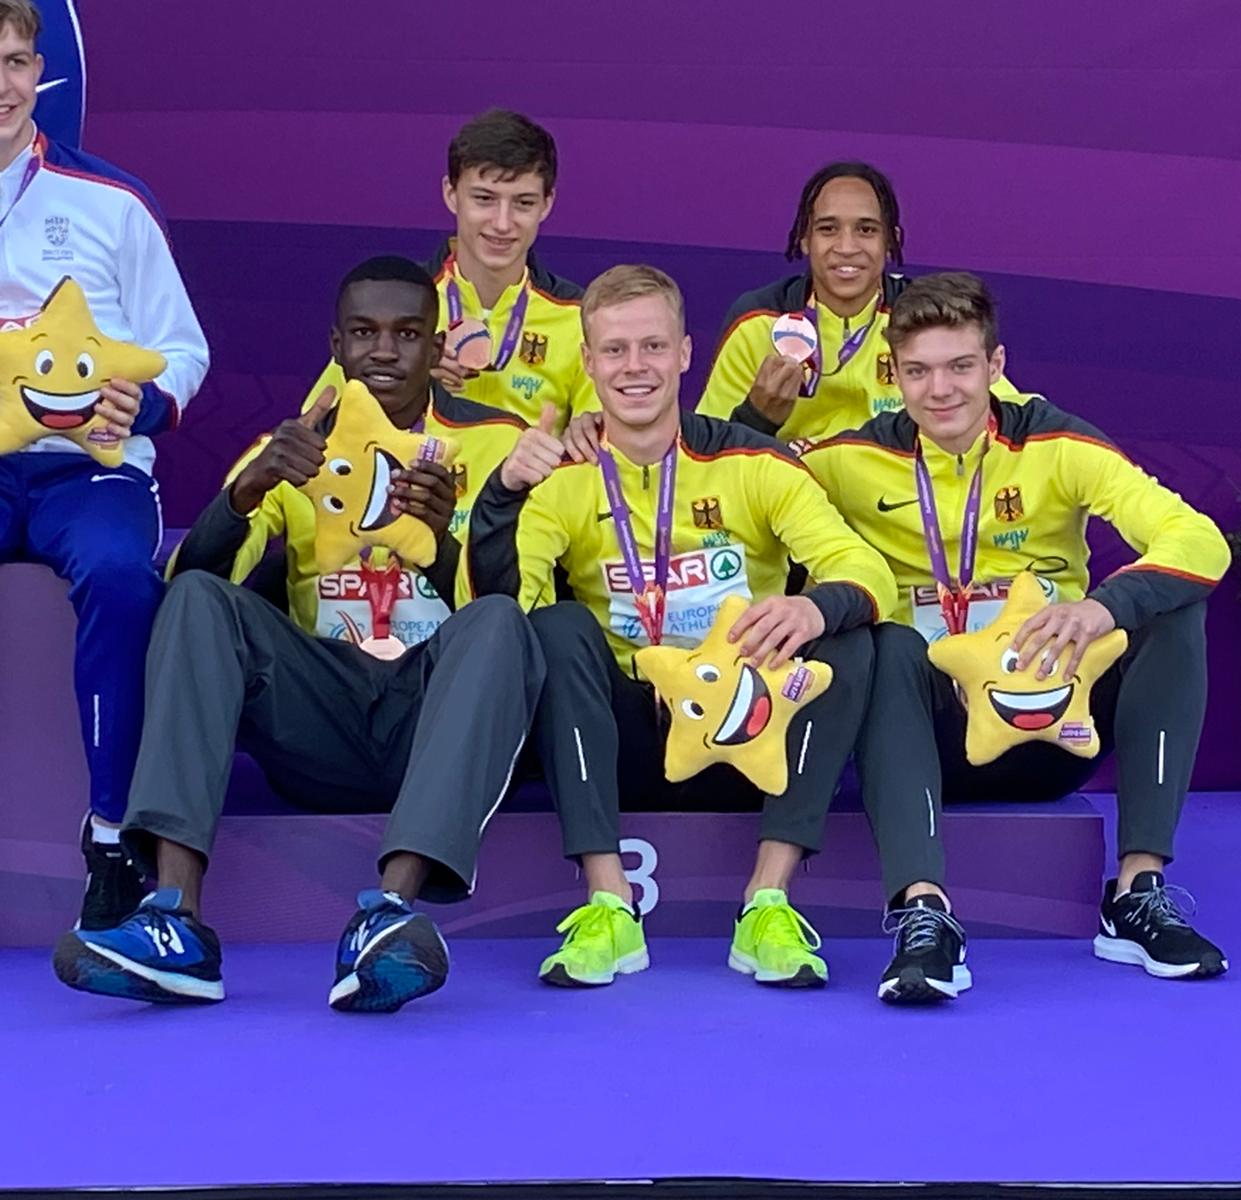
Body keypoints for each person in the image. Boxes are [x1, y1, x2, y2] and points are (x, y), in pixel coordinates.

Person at [52, 257, 540, 1013]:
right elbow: (188, 588)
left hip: (434, 719)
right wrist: (249, 491)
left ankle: (389, 914)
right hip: (323, 713)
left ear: (437, 346)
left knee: (503, 623)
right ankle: (175, 920)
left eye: (408, 334)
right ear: (336, 346)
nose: (384, 351)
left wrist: (442, 546)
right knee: (200, 602)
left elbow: (518, 623)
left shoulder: (497, 445)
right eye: (364, 333)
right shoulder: (295, 443)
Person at [803, 273, 1232, 1004]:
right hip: (929, 732)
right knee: (889, 642)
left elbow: (1199, 540)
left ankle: (1138, 891)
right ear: (893, 374)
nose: (941, 390)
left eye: (960, 366)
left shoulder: (1058, 443)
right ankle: (923, 913)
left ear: (996, 365)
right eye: (918, 371)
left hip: (1054, 726)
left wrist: (1104, 608)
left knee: (1169, 609)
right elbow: (734, 482)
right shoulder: (844, 459)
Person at [467, 265, 897, 989]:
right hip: (627, 736)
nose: (635, 367)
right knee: (557, 628)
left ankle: (768, 903)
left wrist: (811, 607)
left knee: (849, 636)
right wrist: (502, 496)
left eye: (653, 347)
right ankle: (609, 905)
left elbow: (866, 570)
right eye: (615, 350)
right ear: (588, 361)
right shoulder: (561, 478)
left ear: (686, 353)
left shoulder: (752, 461)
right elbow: (497, 610)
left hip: (747, 728)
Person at [0, 0, 209, 931]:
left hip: (88, 472)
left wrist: (146, 402)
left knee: (124, 578)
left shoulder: (110, 202)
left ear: (39, 72)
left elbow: (184, 349)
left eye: (15, 62)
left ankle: (115, 836)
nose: (2, 86)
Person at [304, 109, 597, 434]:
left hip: (529, 469)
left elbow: (602, 442)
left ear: (547, 204)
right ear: (451, 194)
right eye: (484, 199)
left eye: (523, 203)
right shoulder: (397, 300)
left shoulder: (581, 318)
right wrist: (406, 385)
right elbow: (319, 424)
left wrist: (584, 436)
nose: (502, 223)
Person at [693, 161, 1020, 447]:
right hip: (790, 490)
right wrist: (756, 418)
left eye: (866, 230)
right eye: (828, 229)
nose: (846, 247)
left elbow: (1008, 413)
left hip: (896, 490)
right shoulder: (758, 321)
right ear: (805, 239)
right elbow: (706, 455)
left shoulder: (926, 317)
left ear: (891, 241)